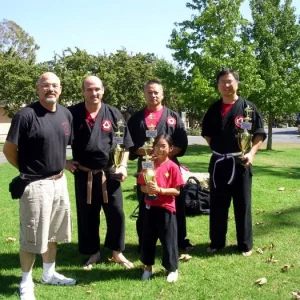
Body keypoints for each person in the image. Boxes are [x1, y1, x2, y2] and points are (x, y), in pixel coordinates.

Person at [3, 72, 76, 300]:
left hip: (59, 182)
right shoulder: (25, 115)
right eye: (46, 85)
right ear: (38, 88)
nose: (50, 89)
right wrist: (27, 170)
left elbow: (58, 145)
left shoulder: (65, 114)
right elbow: (9, 150)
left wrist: (60, 164)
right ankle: (25, 282)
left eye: (54, 85)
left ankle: (49, 273)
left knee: (53, 233)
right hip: (35, 185)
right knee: (32, 235)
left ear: (60, 89)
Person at [65, 76, 134, 269]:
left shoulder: (113, 113)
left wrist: (123, 166)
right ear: (82, 92)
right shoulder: (72, 114)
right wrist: (64, 161)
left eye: (97, 89)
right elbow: (55, 139)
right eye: (89, 89)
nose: (93, 93)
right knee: (87, 214)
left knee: (116, 213)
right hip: (84, 174)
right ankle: (93, 253)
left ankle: (117, 252)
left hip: (110, 173)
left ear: (103, 90)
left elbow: (124, 144)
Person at [201, 68, 266, 256]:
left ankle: (245, 244)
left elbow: (259, 133)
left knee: (242, 204)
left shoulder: (248, 107)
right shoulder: (214, 109)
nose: (226, 85)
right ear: (218, 85)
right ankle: (217, 242)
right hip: (219, 163)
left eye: (230, 81)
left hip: (241, 163)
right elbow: (207, 133)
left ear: (237, 83)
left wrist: (251, 153)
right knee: (217, 204)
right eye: (222, 82)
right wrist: (219, 149)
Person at [127, 79, 192, 251]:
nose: (153, 95)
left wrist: (164, 155)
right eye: (149, 92)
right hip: (147, 169)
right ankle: (145, 243)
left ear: (162, 94)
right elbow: (130, 146)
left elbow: (182, 143)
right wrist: (147, 153)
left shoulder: (172, 117)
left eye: (156, 92)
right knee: (146, 204)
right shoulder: (136, 119)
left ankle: (178, 241)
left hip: (169, 169)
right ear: (144, 94)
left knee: (174, 205)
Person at [137, 134, 185, 282]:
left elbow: (176, 191)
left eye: (163, 146)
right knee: (148, 239)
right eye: (157, 145)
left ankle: (172, 268)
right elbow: (142, 186)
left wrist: (160, 190)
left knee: (168, 240)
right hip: (150, 208)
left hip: (166, 208)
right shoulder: (148, 163)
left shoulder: (173, 167)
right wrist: (148, 190)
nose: (160, 149)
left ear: (170, 149)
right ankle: (148, 267)